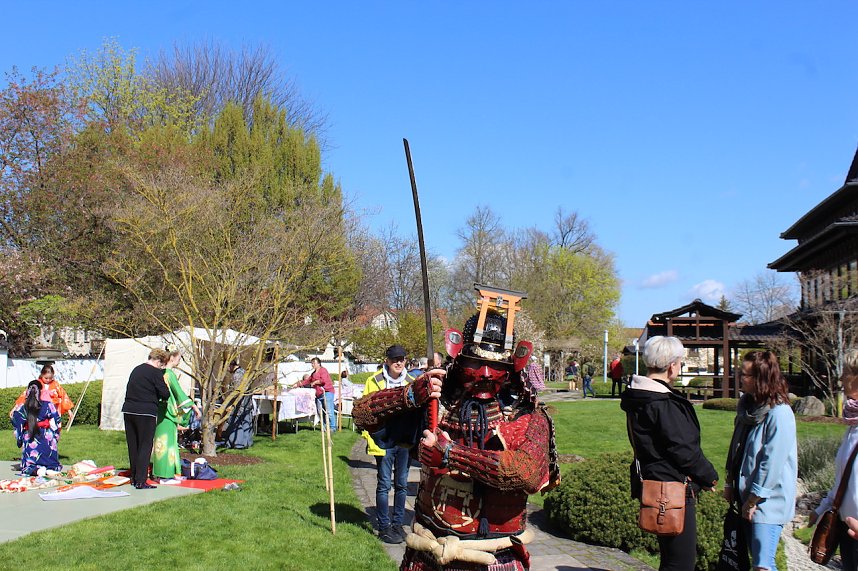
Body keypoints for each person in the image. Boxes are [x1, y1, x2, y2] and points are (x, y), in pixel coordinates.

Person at [353, 297, 560, 570]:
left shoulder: (527, 415)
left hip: (495, 557)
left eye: (496, 365)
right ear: (459, 359)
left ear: (512, 366)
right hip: (428, 554)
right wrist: (409, 395)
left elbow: (525, 472)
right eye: (476, 362)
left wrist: (450, 454)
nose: (486, 373)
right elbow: (362, 415)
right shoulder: (438, 407)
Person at [621, 336, 718, 571]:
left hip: (654, 484)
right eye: (680, 362)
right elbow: (683, 449)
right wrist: (708, 476)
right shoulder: (662, 403)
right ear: (673, 365)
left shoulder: (641, 397)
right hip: (672, 489)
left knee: (671, 559)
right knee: (680, 563)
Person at [724, 350, 797, 571]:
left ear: (760, 378)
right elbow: (737, 449)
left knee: (763, 565)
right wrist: (730, 483)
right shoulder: (748, 408)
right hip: (745, 498)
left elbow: (771, 463)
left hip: (767, 502)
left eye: (744, 374)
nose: (739, 377)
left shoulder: (779, 414)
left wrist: (753, 500)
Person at [360, 344, 415, 544]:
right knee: (384, 484)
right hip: (383, 441)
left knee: (401, 484)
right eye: (394, 359)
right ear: (387, 361)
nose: (398, 363)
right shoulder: (373, 381)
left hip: (404, 442)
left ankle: (397, 524)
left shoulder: (412, 381)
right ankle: (384, 526)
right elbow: (366, 412)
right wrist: (372, 436)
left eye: (402, 359)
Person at [811, 348, 858, 568]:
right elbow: (842, 480)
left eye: (846, 372)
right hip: (848, 534)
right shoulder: (852, 427)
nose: (840, 378)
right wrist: (822, 508)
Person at [122, 348, 170, 489]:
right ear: (159, 361)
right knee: (145, 445)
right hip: (146, 411)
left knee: (133, 445)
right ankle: (141, 480)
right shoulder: (155, 372)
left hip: (129, 410)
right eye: (162, 365)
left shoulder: (136, 369)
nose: (162, 368)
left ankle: (134, 476)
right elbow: (165, 393)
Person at [151, 346, 201, 481]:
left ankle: (159, 471)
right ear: (172, 358)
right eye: (178, 358)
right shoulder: (170, 374)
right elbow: (179, 393)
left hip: (161, 411)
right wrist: (194, 407)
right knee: (168, 443)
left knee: (160, 442)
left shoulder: (160, 373)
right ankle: (166, 474)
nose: (179, 361)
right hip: (168, 412)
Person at [11, 380, 62, 475]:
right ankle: (50, 469)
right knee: (50, 457)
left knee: (29, 462)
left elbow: (16, 421)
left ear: (27, 391)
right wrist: (56, 436)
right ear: (41, 391)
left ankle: (36, 469)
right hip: (47, 437)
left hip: (30, 437)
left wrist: (19, 438)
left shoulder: (23, 407)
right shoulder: (48, 404)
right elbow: (57, 420)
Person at [308, 357, 336, 431]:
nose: (312, 364)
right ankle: (324, 427)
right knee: (320, 411)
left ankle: (332, 427)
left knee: (329, 411)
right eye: (312, 363)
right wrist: (298, 384)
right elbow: (307, 381)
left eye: (314, 363)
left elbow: (323, 381)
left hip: (327, 392)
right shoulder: (313, 374)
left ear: (319, 363)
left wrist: (315, 382)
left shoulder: (323, 370)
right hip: (318, 394)